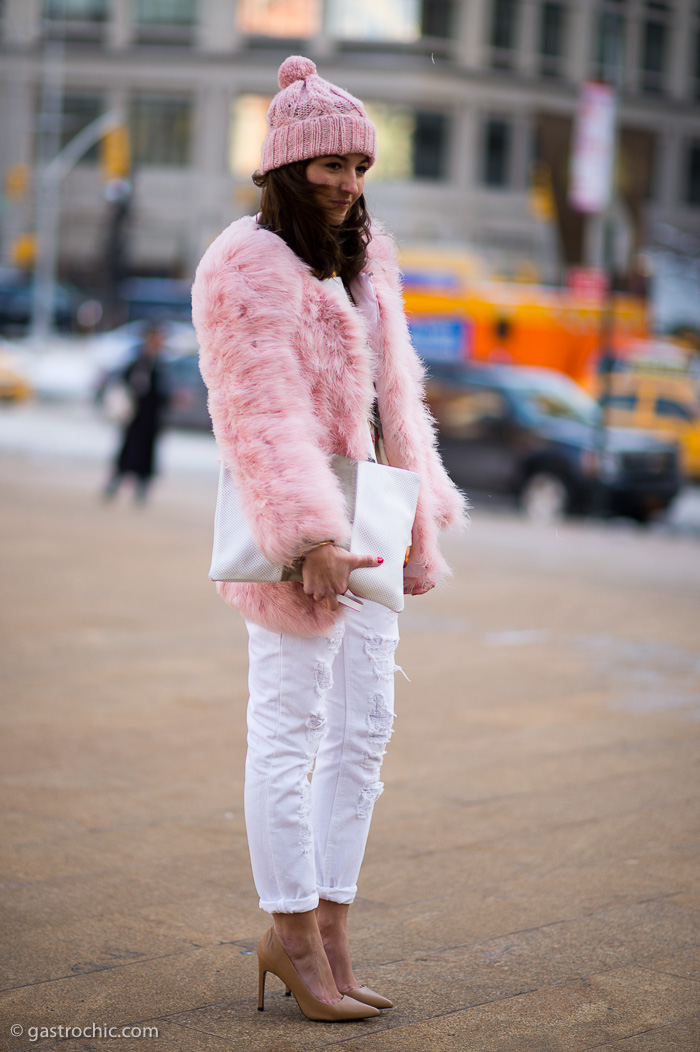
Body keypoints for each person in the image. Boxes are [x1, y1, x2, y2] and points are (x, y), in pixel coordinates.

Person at [192, 55, 467, 1022]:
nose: (348, 184)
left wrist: (420, 522)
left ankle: (335, 926)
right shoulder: (242, 262)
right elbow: (253, 409)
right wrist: (307, 533)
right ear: (284, 169)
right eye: (328, 167)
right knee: (289, 729)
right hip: (301, 526)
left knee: (364, 732)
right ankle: (292, 933)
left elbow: (400, 401)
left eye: (359, 166)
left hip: (379, 517)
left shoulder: (369, 256)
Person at [103, 322, 171, 503]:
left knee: (147, 457)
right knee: (127, 454)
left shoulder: (161, 363)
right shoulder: (137, 362)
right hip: (134, 418)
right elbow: (124, 386)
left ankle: (141, 493)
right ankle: (113, 487)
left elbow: (162, 393)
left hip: (152, 420)